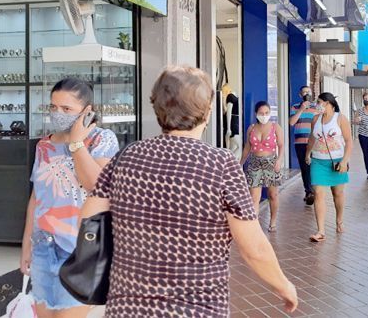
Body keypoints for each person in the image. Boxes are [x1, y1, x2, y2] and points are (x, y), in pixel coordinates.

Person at [80, 66, 297, 317]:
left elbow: (88, 218)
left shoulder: (126, 157)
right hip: (196, 308)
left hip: (128, 307)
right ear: (207, 112)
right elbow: (253, 248)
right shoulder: (220, 164)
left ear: (157, 106)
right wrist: (284, 285)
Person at [20, 78, 120, 318]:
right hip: (44, 245)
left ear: (87, 111)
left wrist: (76, 143)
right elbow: (36, 198)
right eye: (53, 107)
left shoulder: (102, 140)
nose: (58, 114)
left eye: (66, 109)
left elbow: (97, 186)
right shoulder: (44, 146)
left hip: (82, 248)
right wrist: (26, 246)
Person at [305, 92, 352, 242]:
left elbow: (349, 141)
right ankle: (321, 231)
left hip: (336, 161)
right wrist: (307, 154)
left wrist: (344, 160)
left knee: (337, 194)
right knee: (318, 193)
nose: (317, 105)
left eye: (320, 102)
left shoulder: (340, 119)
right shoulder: (315, 119)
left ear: (329, 103)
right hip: (318, 161)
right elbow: (312, 138)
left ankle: (339, 220)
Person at [240, 101, 284, 232]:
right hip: (254, 162)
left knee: (273, 195)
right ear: (256, 114)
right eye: (261, 113)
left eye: (266, 113)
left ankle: (273, 221)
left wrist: (279, 160)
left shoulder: (275, 127)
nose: (264, 115)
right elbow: (247, 147)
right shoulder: (251, 128)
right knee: (254, 196)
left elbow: (281, 145)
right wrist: (240, 163)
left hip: (271, 162)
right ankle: (255, 225)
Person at [289, 85, 320, 205]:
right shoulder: (295, 107)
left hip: (315, 142)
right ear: (300, 95)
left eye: (309, 92)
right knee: (305, 168)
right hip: (300, 142)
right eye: (304, 92)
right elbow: (292, 122)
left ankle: (314, 190)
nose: (307, 94)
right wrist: (301, 109)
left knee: (314, 167)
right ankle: (308, 192)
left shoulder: (317, 107)